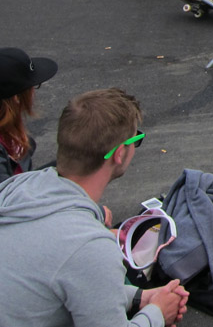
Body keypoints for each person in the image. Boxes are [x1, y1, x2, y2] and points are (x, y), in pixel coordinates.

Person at [0, 87, 189, 327]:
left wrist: (139, 297)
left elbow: (58, 281)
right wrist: (157, 314)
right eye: (135, 138)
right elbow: (80, 265)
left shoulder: (17, 188)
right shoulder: (89, 246)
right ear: (119, 153)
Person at [0, 47, 58, 182]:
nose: (34, 92)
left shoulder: (11, 137)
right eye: (33, 86)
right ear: (16, 98)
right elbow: (11, 197)